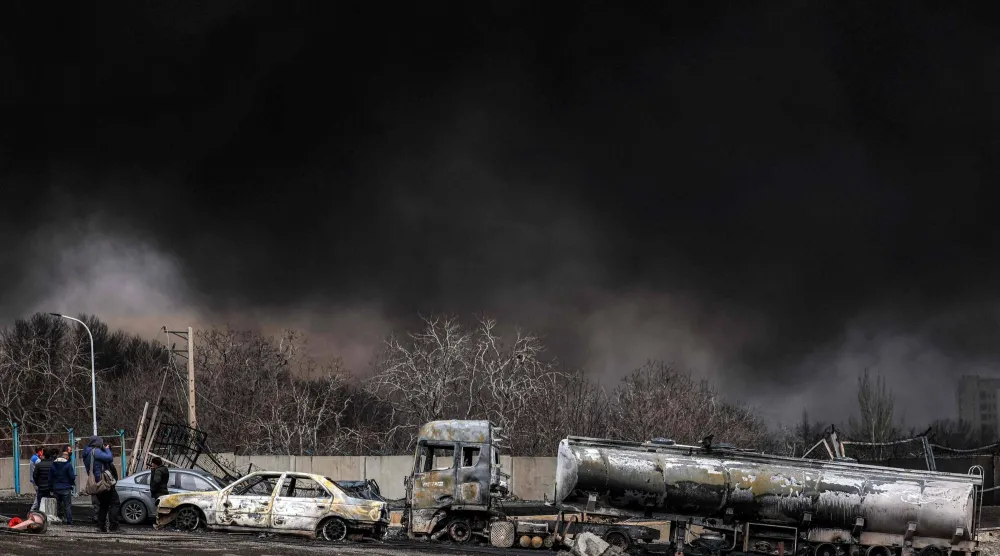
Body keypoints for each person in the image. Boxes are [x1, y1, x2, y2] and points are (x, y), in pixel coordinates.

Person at [83, 436, 117, 532]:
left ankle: (101, 526)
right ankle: (114, 526)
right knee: (115, 503)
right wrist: (107, 449)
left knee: (103, 504)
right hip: (103, 482)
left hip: (96, 482)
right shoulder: (96, 452)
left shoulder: (87, 452)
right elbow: (109, 458)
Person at [50, 446, 75, 526]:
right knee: (67, 505)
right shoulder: (68, 465)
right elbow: (72, 477)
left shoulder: (53, 464)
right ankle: (69, 521)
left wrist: (52, 486)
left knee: (56, 505)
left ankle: (56, 519)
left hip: (56, 488)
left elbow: (50, 477)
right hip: (66, 488)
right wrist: (70, 483)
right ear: (67, 457)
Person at [30, 448, 56, 513]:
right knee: (50, 500)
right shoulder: (52, 464)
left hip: (41, 486)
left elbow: (35, 475)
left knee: (39, 499)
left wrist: (38, 483)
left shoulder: (39, 464)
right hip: (49, 487)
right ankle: (50, 513)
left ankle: (37, 513)